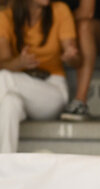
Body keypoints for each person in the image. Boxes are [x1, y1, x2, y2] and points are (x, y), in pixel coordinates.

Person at [0, 0, 80, 153]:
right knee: (9, 103)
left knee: (3, 78)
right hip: (19, 87)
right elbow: (3, 63)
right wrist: (19, 62)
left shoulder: (60, 10)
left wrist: (71, 56)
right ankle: (4, 168)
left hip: (51, 89)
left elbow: (77, 60)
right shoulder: (5, 17)